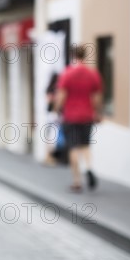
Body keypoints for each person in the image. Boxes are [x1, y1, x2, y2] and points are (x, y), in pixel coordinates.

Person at [54, 45, 103, 192]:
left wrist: (57, 110)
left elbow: (61, 96)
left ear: (73, 55)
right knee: (86, 145)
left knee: (74, 147)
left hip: (71, 116)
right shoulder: (92, 74)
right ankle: (88, 168)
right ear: (85, 55)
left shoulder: (67, 74)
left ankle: (77, 181)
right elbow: (97, 97)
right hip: (87, 116)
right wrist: (97, 112)